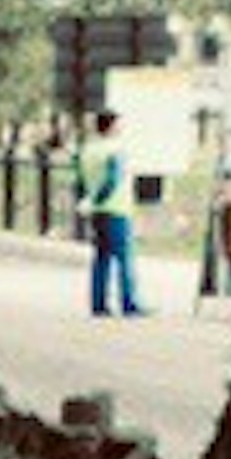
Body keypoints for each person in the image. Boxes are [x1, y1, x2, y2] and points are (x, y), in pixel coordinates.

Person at [74, 113, 143, 315]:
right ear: (111, 127)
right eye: (119, 125)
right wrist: (98, 199)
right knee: (124, 259)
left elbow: (80, 180)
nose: (121, 129)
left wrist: (88, 201)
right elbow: (113, 179)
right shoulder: (115, 150)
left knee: (101, 258)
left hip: (96, 212)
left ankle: (99, 304)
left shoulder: (87, 150)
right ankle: (129, 303)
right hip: (117, 209)